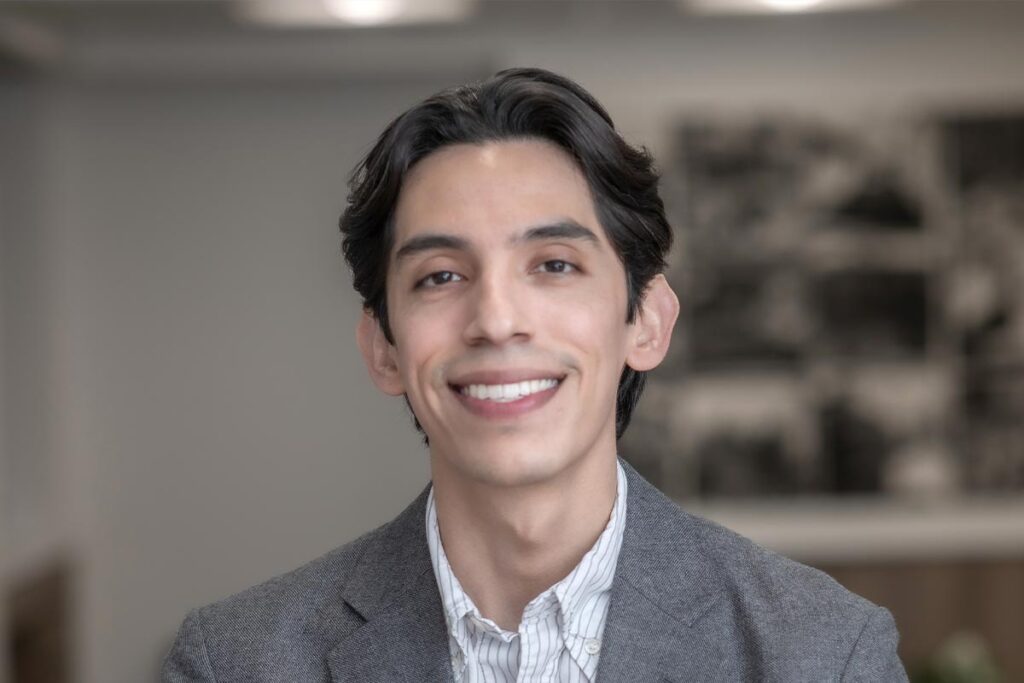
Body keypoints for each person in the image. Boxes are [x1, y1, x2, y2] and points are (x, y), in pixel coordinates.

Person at [162, 68, 907, 682]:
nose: (496, 318)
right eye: (441, 275)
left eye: (554, 265)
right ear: (382, 347)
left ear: (646, 321)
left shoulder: (822, 654)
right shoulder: (235, 662)